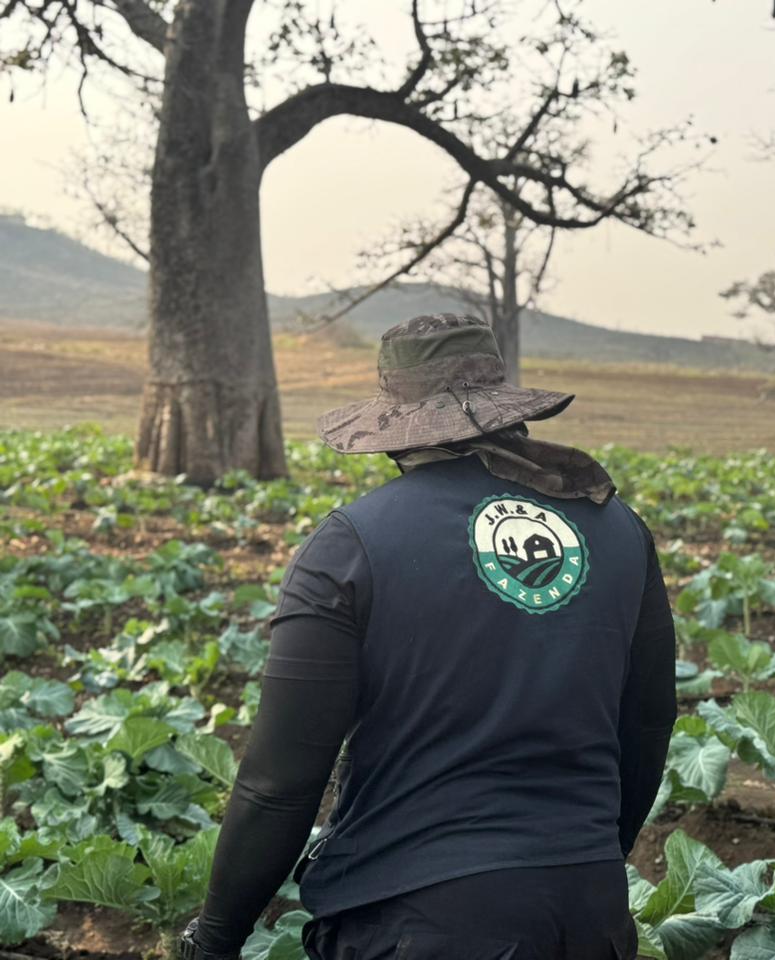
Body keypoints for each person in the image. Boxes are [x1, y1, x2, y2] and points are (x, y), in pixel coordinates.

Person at [179, 315, 676, 960]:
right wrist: (587, 860)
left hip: (412, 914)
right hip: (590, 913)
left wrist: (216, 938)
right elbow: (647, 725)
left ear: (399, 427)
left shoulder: (352, 544)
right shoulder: (619, 529)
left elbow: (280, 783)